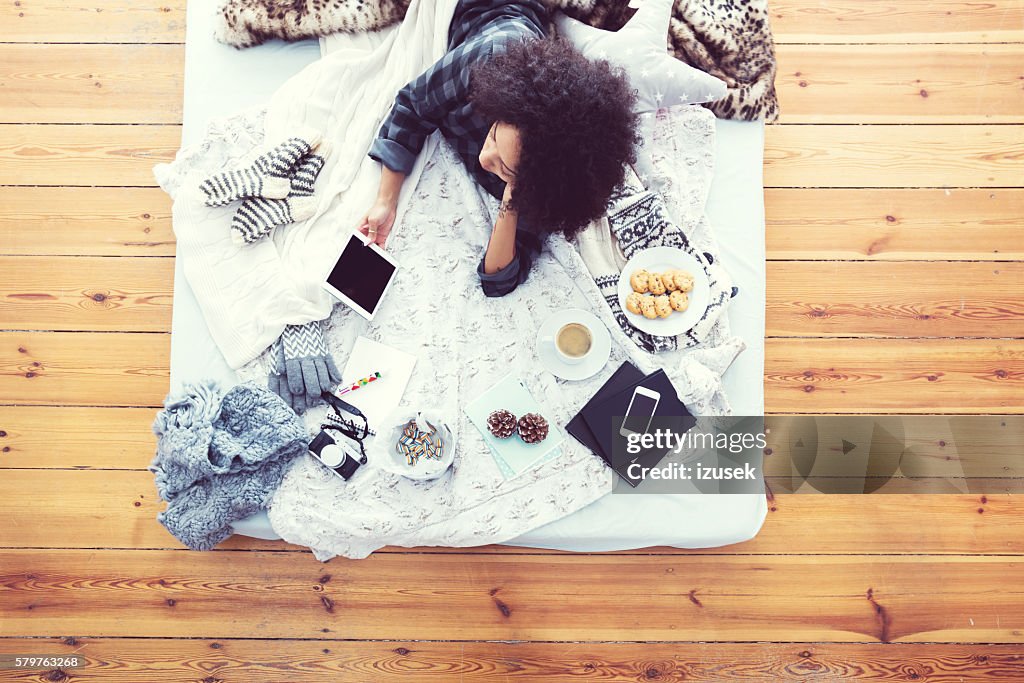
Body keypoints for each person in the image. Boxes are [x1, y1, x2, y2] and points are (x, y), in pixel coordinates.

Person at [359, 0, 640, 297]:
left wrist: (512, 197)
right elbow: (412, 105)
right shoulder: (487, 58)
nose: (484, 157)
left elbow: (498, 280)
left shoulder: (547, 183)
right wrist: (385, 202)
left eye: (505, 167)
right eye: (493, 136)